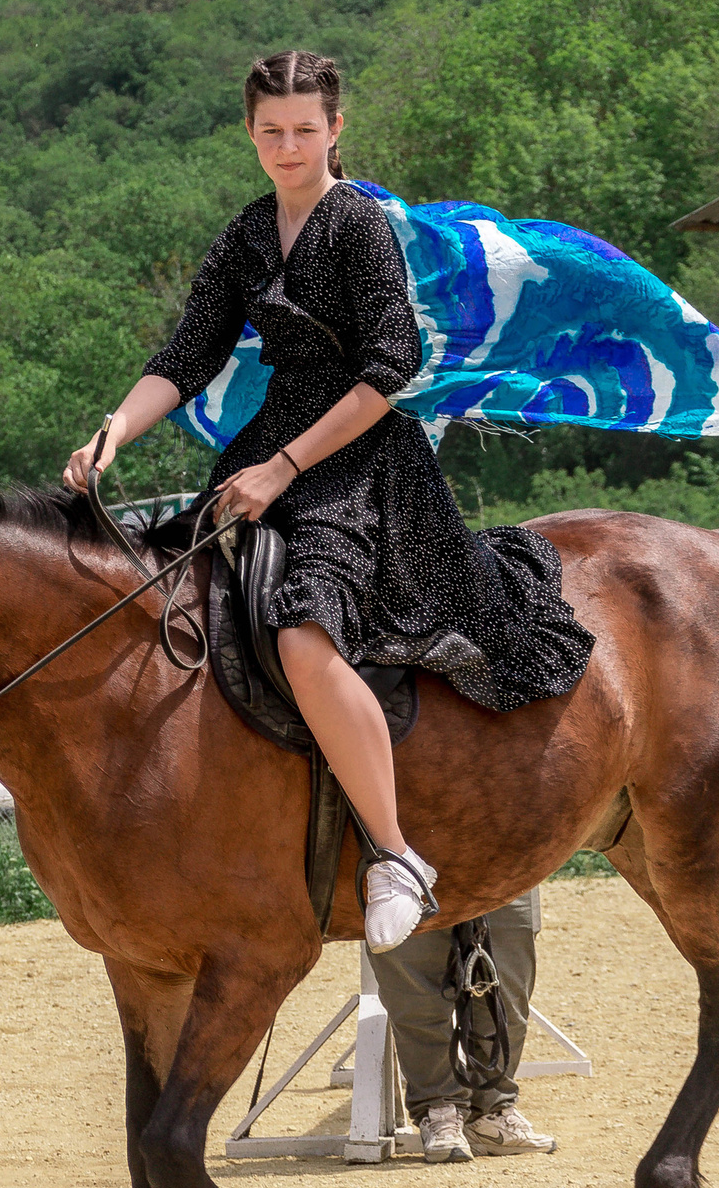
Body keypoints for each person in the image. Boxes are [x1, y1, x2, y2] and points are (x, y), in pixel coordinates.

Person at [64, 48, 592, 952]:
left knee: (303, 638)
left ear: (335, 129)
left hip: (358, 456)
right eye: (271, 131)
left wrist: (283, 469)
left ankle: (394, 855)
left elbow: (390, 367)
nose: (288, 147)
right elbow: (187, 356)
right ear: (249, 132)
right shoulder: (245, 234)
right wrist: (114, 430)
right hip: (269, 440)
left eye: (305, 130)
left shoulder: (358, 225)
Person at [365, 889, 558, 1163]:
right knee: (416, 990)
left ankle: (491, 1112)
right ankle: (439, 1109)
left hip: (505, 867)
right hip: (406, 869)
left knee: (506, 985)